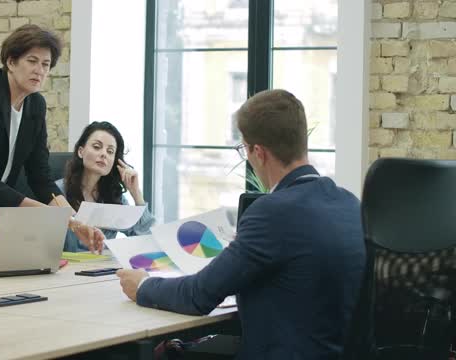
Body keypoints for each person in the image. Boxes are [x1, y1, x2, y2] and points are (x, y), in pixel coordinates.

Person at [116, 89, 366, 359]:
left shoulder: (272, 212)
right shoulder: (349, 203)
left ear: (258, 152)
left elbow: (198, 295)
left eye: (243, 149)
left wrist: (143, 285)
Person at [0, 24, 103, 253]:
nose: (40, 70)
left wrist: (74, 219)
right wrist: (55, 217)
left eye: (46, 64)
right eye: (32, 61)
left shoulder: (35, 105)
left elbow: (40, 177)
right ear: (11, 62)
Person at [56, 121, 155, 251]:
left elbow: (147, 238)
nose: (104, 154)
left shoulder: (114, 197)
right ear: (81, 151)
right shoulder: (57, 192)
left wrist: (136, 194)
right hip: (66, 269)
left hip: (104, 269)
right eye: (97, 147)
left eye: (110, 151)